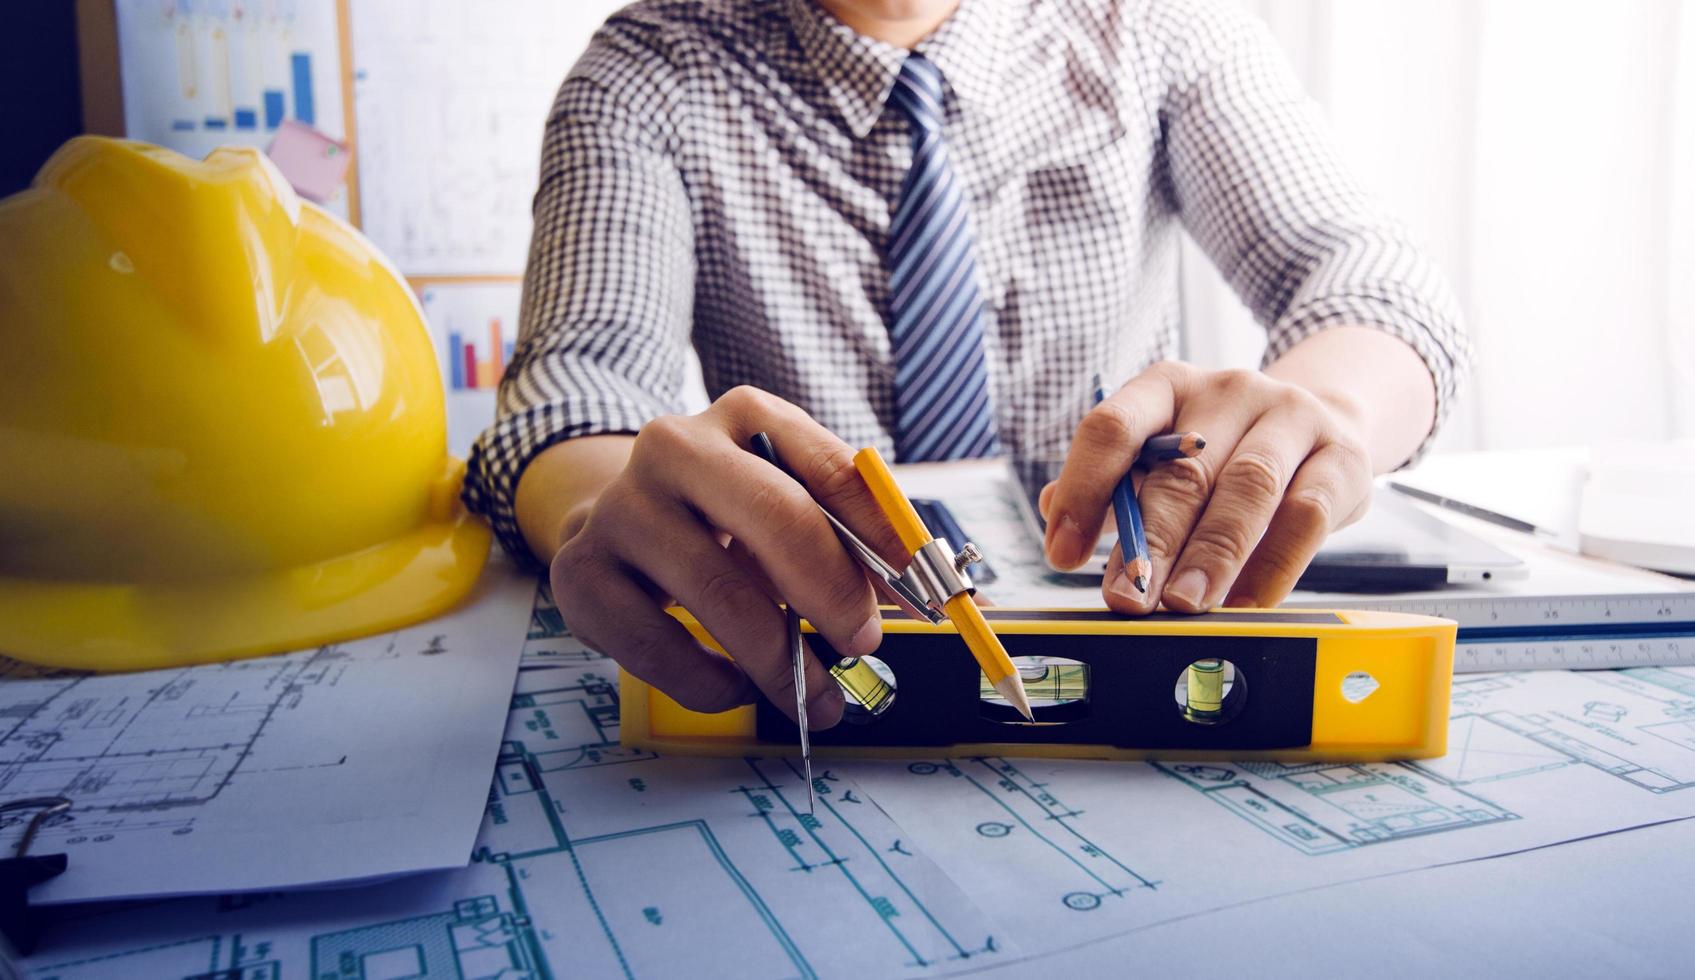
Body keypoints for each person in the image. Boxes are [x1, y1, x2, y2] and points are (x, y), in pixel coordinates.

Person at [462, 0, 1469, 730]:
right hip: (829, 658)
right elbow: (577, 390)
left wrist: (1320, 415)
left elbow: (1372, 283)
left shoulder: (1159, 27)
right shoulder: (647, 71)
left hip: (1129, 619)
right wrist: (606, 514)